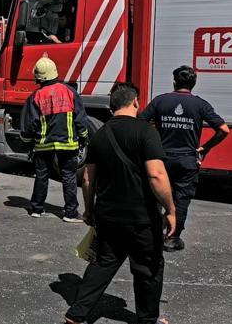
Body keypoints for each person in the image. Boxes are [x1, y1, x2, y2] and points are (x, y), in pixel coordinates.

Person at [65, 82, 176, 324]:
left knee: (103, 264)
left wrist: (89, 210)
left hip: (108, 215)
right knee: (149, 268)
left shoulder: (100, 135)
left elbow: (87, 178)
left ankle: (76, 314)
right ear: (135, 101)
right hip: (142, 217)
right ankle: (148, 319)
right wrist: (171, 209)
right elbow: (156, 174)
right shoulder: (146, 131)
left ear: (111, 106)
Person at [140, 65, 230, 252]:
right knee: (181, 200)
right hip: (186, 161)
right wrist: (205, 147)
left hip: (161, 159)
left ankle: (152, 235)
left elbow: (140, 124)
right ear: (193, 84)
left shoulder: (160, 101)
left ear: (174, 82)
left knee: (156, 196)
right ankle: (172, 239)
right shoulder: (200, 104)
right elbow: (224, 129)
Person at [20, 57, 88, 222]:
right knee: (68, 176)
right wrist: (83, 137)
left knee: (41, 175)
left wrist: (27, 143)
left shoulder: (36, 96)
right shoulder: (70, 92)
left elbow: (30, 124)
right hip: (68, 143)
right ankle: (70, 213)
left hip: (44, 144)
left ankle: (36, 208)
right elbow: (80, 119)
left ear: (39, 77)